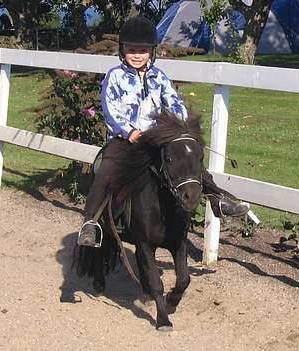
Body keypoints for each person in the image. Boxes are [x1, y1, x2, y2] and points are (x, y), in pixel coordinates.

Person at [78, 16, 249, 247]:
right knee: (105, 167)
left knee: (187, 157)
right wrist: (129, 132)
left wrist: (180, 128)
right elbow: (110, 110)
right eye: (132, 50)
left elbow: (174, 102)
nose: (137, 55)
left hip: (156, 139)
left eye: (143, 50)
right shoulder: (115, 77)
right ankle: (91, 222)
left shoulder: (159, 77)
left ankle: (217, 198)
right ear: (122, 51)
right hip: (125, 140)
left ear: (152, 52)